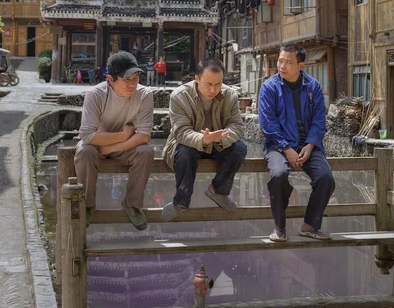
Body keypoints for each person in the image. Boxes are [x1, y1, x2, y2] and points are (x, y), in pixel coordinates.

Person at [259, 43, 335, 242]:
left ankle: (310, 225)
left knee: (326, 177)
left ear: (301, 65)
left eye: (288, 62)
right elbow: (268, 124)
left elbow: (319, 121)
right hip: (277, 144)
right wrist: (287, 149)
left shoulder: (313, 86)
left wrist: (310, 146)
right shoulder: (269, 87)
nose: (282, 66)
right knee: (278, 175)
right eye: (280, 61)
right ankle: (280, 227)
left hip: (307, 144)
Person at [74, 51, 154, 229]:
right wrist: (123, 135)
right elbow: (87, 136)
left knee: (145, 152)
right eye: (127, 79)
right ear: (111, 79)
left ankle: (132, 204)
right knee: (85, 151)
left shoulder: (144, 94)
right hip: (96, 145)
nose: (132, 84)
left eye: (135, 78)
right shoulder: (95, 94)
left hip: (122, 148)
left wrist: (111, 147)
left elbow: (144, 135)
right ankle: (87, 205)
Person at [161, 58, 247, 221]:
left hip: (219, 142)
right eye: (208, 84)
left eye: (218, 84)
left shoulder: (230, 95)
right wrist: (202, 138)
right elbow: (180, 131)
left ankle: (218, 190)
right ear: (197, 79)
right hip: (189, 144)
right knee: (185, 152)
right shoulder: (179, 96)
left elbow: (238, 126)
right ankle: (181, 201)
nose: (213, 89)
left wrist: (221, 137)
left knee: (240, 149)